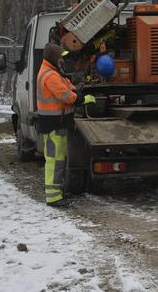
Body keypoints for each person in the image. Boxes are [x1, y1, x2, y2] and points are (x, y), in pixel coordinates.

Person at [36, 43, 93, 207]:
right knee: (54, 160)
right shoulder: (51, 75)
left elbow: (67, 87)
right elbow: (65, 95)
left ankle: (57, 192)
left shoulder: (52, 72)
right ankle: (53, 197)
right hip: (54, 124)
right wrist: (81, 99)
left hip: (55, 123)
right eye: (60, 57)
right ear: (54, 58)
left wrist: (77, 88)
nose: (63, 60)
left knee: (57, 160)